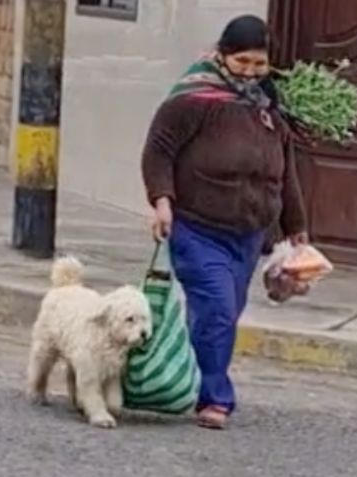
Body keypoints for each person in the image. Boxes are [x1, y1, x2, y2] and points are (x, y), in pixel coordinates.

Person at [140, 14, 308, 430]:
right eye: (241, 62)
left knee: (222, 313)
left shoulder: (268, 105)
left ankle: (184, 381)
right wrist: (161, 201)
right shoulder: (193, 99)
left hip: (249, 233)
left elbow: (284, 171)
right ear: (221, 55)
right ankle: (215, 399)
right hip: (197, 227)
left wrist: (296, 228)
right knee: (216, 307)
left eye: (258, 64)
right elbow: (158, 150)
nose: (250, 72)